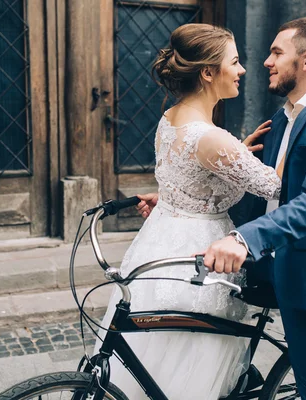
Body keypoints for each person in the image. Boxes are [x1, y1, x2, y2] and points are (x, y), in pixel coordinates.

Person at [94, 23, 282, 399]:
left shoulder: (172, 117)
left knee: (160, 351)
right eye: (235, 61)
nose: (243, 69)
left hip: (161, 243)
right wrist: (242, 156)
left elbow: (189, 176)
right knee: (196, 351)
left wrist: (237, 153)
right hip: (199, 252)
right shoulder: (213, 139)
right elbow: (273, 185)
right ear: (208, 72)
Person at [199, 17, 306, 400]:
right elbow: (262, 192)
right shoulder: (280, 118)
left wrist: (243, 240)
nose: (265, 61)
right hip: (269, 268)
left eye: (277, 52)